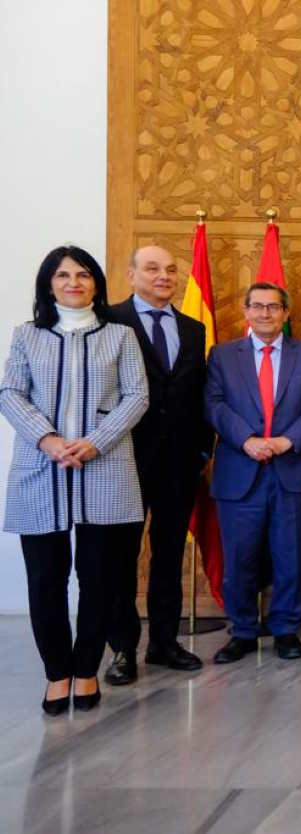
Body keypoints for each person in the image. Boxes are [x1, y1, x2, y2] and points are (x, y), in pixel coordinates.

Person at [0, 245, 149, 714]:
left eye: (83, 275)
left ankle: (86, 671)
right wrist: (47, 440)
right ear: (49, 284)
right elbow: (9, 392)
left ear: (97, 285)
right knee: (45, 580)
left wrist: (95, 441)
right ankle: (56, 674)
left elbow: (137, 395)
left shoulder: (120, 336)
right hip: (41, 468)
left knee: (99, 579)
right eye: (63, 275)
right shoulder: (27, 336)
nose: (74, 283)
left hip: (103, 467)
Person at [102, 245, 212, 686]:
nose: (164, 276)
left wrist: (203, 450)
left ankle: (164, 642)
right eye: (152, 268)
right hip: (123, 461)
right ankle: (122, 649)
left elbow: (199, 394)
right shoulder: (109, 321)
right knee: (120, 559)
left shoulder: (193, 327)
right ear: (131, 275)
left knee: (169, 555)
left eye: (170, 269)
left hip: (179, 465)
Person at [205, 282, 301, 663]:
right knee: (239, 558)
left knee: (289, 555)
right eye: (257, 307)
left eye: (273, 307)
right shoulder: (223, 356)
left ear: (285, 314)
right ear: (245, 312)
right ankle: (242, 630)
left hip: (290, 469)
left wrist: (286, 441)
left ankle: (285, 629)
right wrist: (247, 440)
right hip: (240, 471)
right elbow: (214, 404)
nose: (265, 314)